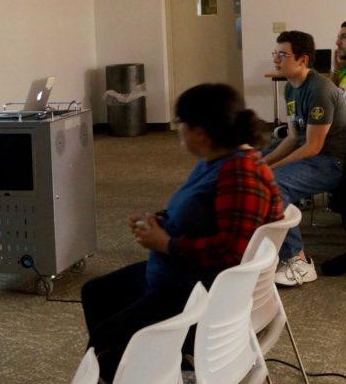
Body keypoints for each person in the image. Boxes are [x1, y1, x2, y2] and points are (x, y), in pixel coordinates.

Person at [80, 83, 283, 381]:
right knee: (97, 292)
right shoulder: (218, 161)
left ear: (200, 132)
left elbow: (231, 251)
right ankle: (141, 368)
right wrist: (160, 220)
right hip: (182, 275)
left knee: (106, 339)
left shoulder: (241, 172)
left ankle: (143, 368)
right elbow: (201, 212)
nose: (178, 131)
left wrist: (167, 244)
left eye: (181, 124)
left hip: (196, 290)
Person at [262, 30, 346, 286]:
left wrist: (271, 169)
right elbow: (292, 137)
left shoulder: (320, 90)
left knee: (273, 185)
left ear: (303, 60)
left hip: (330, 162)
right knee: (248, 165)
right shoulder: (290, 88)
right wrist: (262, 164)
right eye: (275, 53)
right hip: (310, 153)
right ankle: (257, 242)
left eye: (283, 54)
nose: (276, 59)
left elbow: (313, 147)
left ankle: (298, 261)